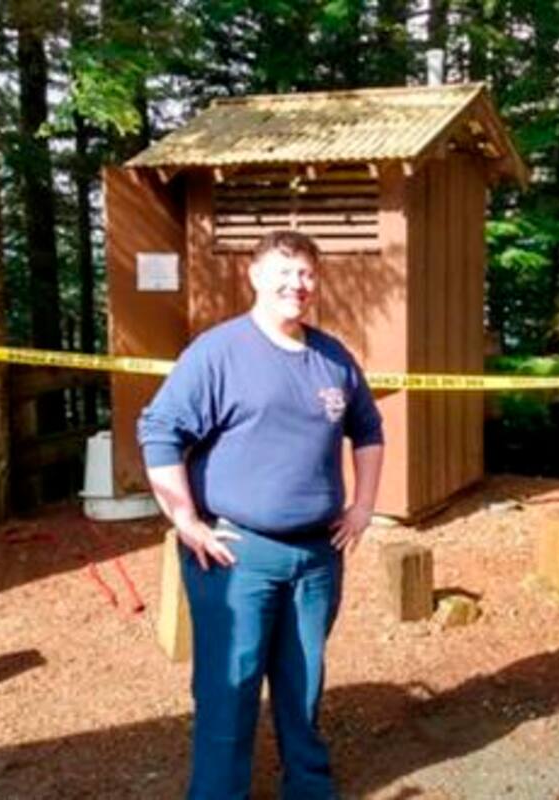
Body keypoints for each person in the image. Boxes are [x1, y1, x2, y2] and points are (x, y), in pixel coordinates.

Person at [138, 230, 384, 800]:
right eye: (284, 271)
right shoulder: (217, 352)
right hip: (236, 555)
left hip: (317, 556)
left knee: (302, 684)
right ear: (253, 276)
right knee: (232, 686)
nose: (296, 284)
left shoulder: (332, 357)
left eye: (305, 274)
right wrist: (185, 520)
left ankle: (309, 786)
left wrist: (364, 505)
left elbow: (368, 430)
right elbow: (159, 431)